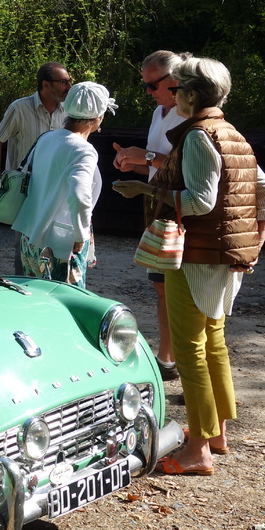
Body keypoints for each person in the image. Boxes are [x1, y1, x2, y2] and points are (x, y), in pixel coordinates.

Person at [111, 56, 265, 477]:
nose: (170, 95)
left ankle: (198, 449)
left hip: (196, 257)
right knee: (213, 343)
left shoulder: (199, 136)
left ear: (189, 93)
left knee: (190, 350)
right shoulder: (232, 134)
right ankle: (215, 433)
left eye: (175, 88)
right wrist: (252, 247)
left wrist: (145, 191)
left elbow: (201, 202)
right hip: (220, 259)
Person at [112, 50, 186, 381]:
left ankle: (180, 361)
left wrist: (146, 156)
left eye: (153, 85)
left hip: (179, 207)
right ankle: (167, 358)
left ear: (175, 80)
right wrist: (133, 162)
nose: (148, 92)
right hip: (156, 203)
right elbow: (157, 164)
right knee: (160, 286)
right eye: (145, 84)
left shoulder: (189, 114)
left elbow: (187, 165)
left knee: (176, 288)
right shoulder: (160, 112)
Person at [12, 81, 117, 288]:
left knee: (35, 298)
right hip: (59, 245)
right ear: (98, 117)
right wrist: (80, 234)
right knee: (64, 301)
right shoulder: (83, 150)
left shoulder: (46, 138)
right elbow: (79, 195)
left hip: (30, 237)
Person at [0, 62, 72, 273]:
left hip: (56, 187)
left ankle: (49, 283)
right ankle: (22, 285)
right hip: (25, 189)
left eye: (70, 81)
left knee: (54, 242)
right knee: (24, 245)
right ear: (45, 84)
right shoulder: (19, 108)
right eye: (64, 82)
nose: (69, 86)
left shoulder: (68, 111)